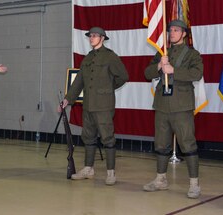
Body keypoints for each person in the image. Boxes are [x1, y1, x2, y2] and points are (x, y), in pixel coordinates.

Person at [58, 27, 129, 185]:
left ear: (102, 38)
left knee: (107, 139)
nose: (91, 38)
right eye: (90, 35)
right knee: (88, 138)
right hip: (88, 105)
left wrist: (108, 88)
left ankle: (111, 173)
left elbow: (123, 76)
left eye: (95, 36)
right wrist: (67, 100)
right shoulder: (87, 58)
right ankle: (88, 169)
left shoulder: (110, 57)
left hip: (103, 105)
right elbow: (78, 82)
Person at [143, 20, 203, 199]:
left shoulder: (193, 54)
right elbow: (147, 73)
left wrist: (173, 70)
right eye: (170, 30)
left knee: (188, 144)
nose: (172, 33)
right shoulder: (163, 53)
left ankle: (194, 184)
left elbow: (197, 74)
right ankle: (160, 179)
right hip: (162, 104)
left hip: (181, 105)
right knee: (161, 144)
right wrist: (159, 66)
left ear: (184, 33)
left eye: (176, 30)